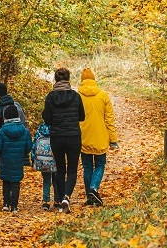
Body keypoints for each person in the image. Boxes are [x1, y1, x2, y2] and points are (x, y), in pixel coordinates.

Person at [42, 68, 85, 214]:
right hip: (73, 136)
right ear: (68, 79)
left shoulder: (50, 97)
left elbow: (47, 119)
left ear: (55, 79)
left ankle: (60, 201)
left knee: (60, 169)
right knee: (72, 169)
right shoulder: (75, 96)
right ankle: (66, 197)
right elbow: (82, 116)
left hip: (57, 137)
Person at [78, 68, 118, 207]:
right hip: (100, 137)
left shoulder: (78, 96)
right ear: (94, 80)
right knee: (100, 165)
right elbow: (109, 119)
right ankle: (93, 188)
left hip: (84, 137)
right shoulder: (103, 95)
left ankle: (90, 197)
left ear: (82, 80)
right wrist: (113, 139)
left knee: (87, 167)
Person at [0, 104, 32, 214]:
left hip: (5, 159)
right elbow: (28, 146)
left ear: (5, 117)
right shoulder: (24, 131)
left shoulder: (1, 131)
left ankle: (6, 204)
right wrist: (23, 153)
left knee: (6, 181)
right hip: (18, 159)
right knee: (16, 181)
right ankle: (14, 206)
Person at [31, 123, 60, 211]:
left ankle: (46, 202)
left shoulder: (40, 129)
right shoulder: (57, 127)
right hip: (55, 158)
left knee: (46, 180)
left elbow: (34, 144)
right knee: (56, 180)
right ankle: (57, 201)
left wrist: (33, 158)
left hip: (42, 159)